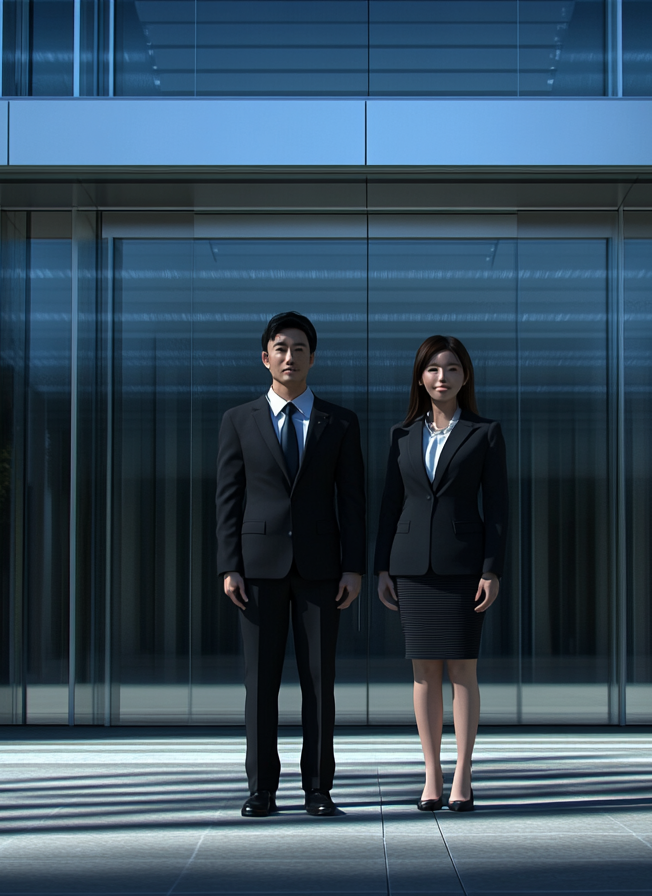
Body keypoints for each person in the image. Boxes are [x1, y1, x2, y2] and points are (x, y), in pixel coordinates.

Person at [215, 311, 366, 818]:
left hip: (323, 570)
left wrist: (354, 566)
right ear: (265, 358)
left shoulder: (340, 422)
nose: (289, 357)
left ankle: (318, 791)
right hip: (257, 570)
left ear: (313, 357)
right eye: (280, 348)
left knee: (319, 685)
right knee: (259, 686)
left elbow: (353, 500)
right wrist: (228, 565)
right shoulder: (238, 420)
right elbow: (228, 500)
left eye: (299, 348)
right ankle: (261, 791)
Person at [375, 335, 508, 813]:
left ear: (465, 377)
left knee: (463, 671)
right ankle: (432, 776)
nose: (442, 377)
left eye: (452, 369)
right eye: (433, 369)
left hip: (463, 565)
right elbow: (391, 505)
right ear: (420, 377)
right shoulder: (401, 435)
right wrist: (381, 567)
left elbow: (496, 509)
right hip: (411, 567)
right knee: (424, 672)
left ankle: (463, 775)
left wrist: (491, 570)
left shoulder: (485, 432)